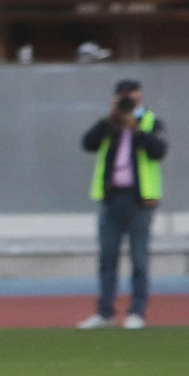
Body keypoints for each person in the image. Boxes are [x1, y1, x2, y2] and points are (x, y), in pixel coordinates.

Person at [78, 79, 168, 331]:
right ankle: (105, 312)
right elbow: (88, 143)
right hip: (111, 197)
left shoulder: (151, 122)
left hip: (141, 199)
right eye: (123, 97)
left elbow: (159, 150)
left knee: (139, 258)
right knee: (107, 257)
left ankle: (136, 312)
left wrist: (135, 128)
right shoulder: (111, 124)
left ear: (140, 97)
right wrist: (110, 119)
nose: (128, 101)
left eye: (132, 95)